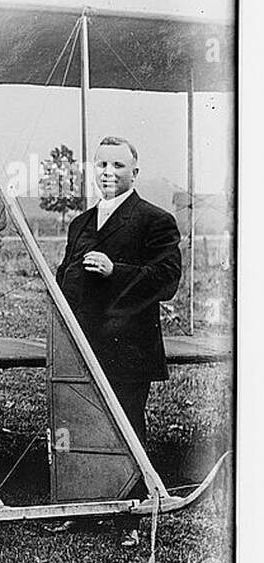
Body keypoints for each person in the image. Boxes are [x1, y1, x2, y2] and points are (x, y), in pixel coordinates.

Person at [55, 136, 182, 448]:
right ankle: (88, 493)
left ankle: (137, 493)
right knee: (83, 427)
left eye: (118, 165)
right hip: (83, 347)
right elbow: (65, 276)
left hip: (128, 350)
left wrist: (116, 272)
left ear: (135, 173)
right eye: (101, 165)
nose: (107, 172)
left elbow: (168, 279)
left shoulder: (155, 220)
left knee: (124, 431)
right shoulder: (80, 223)